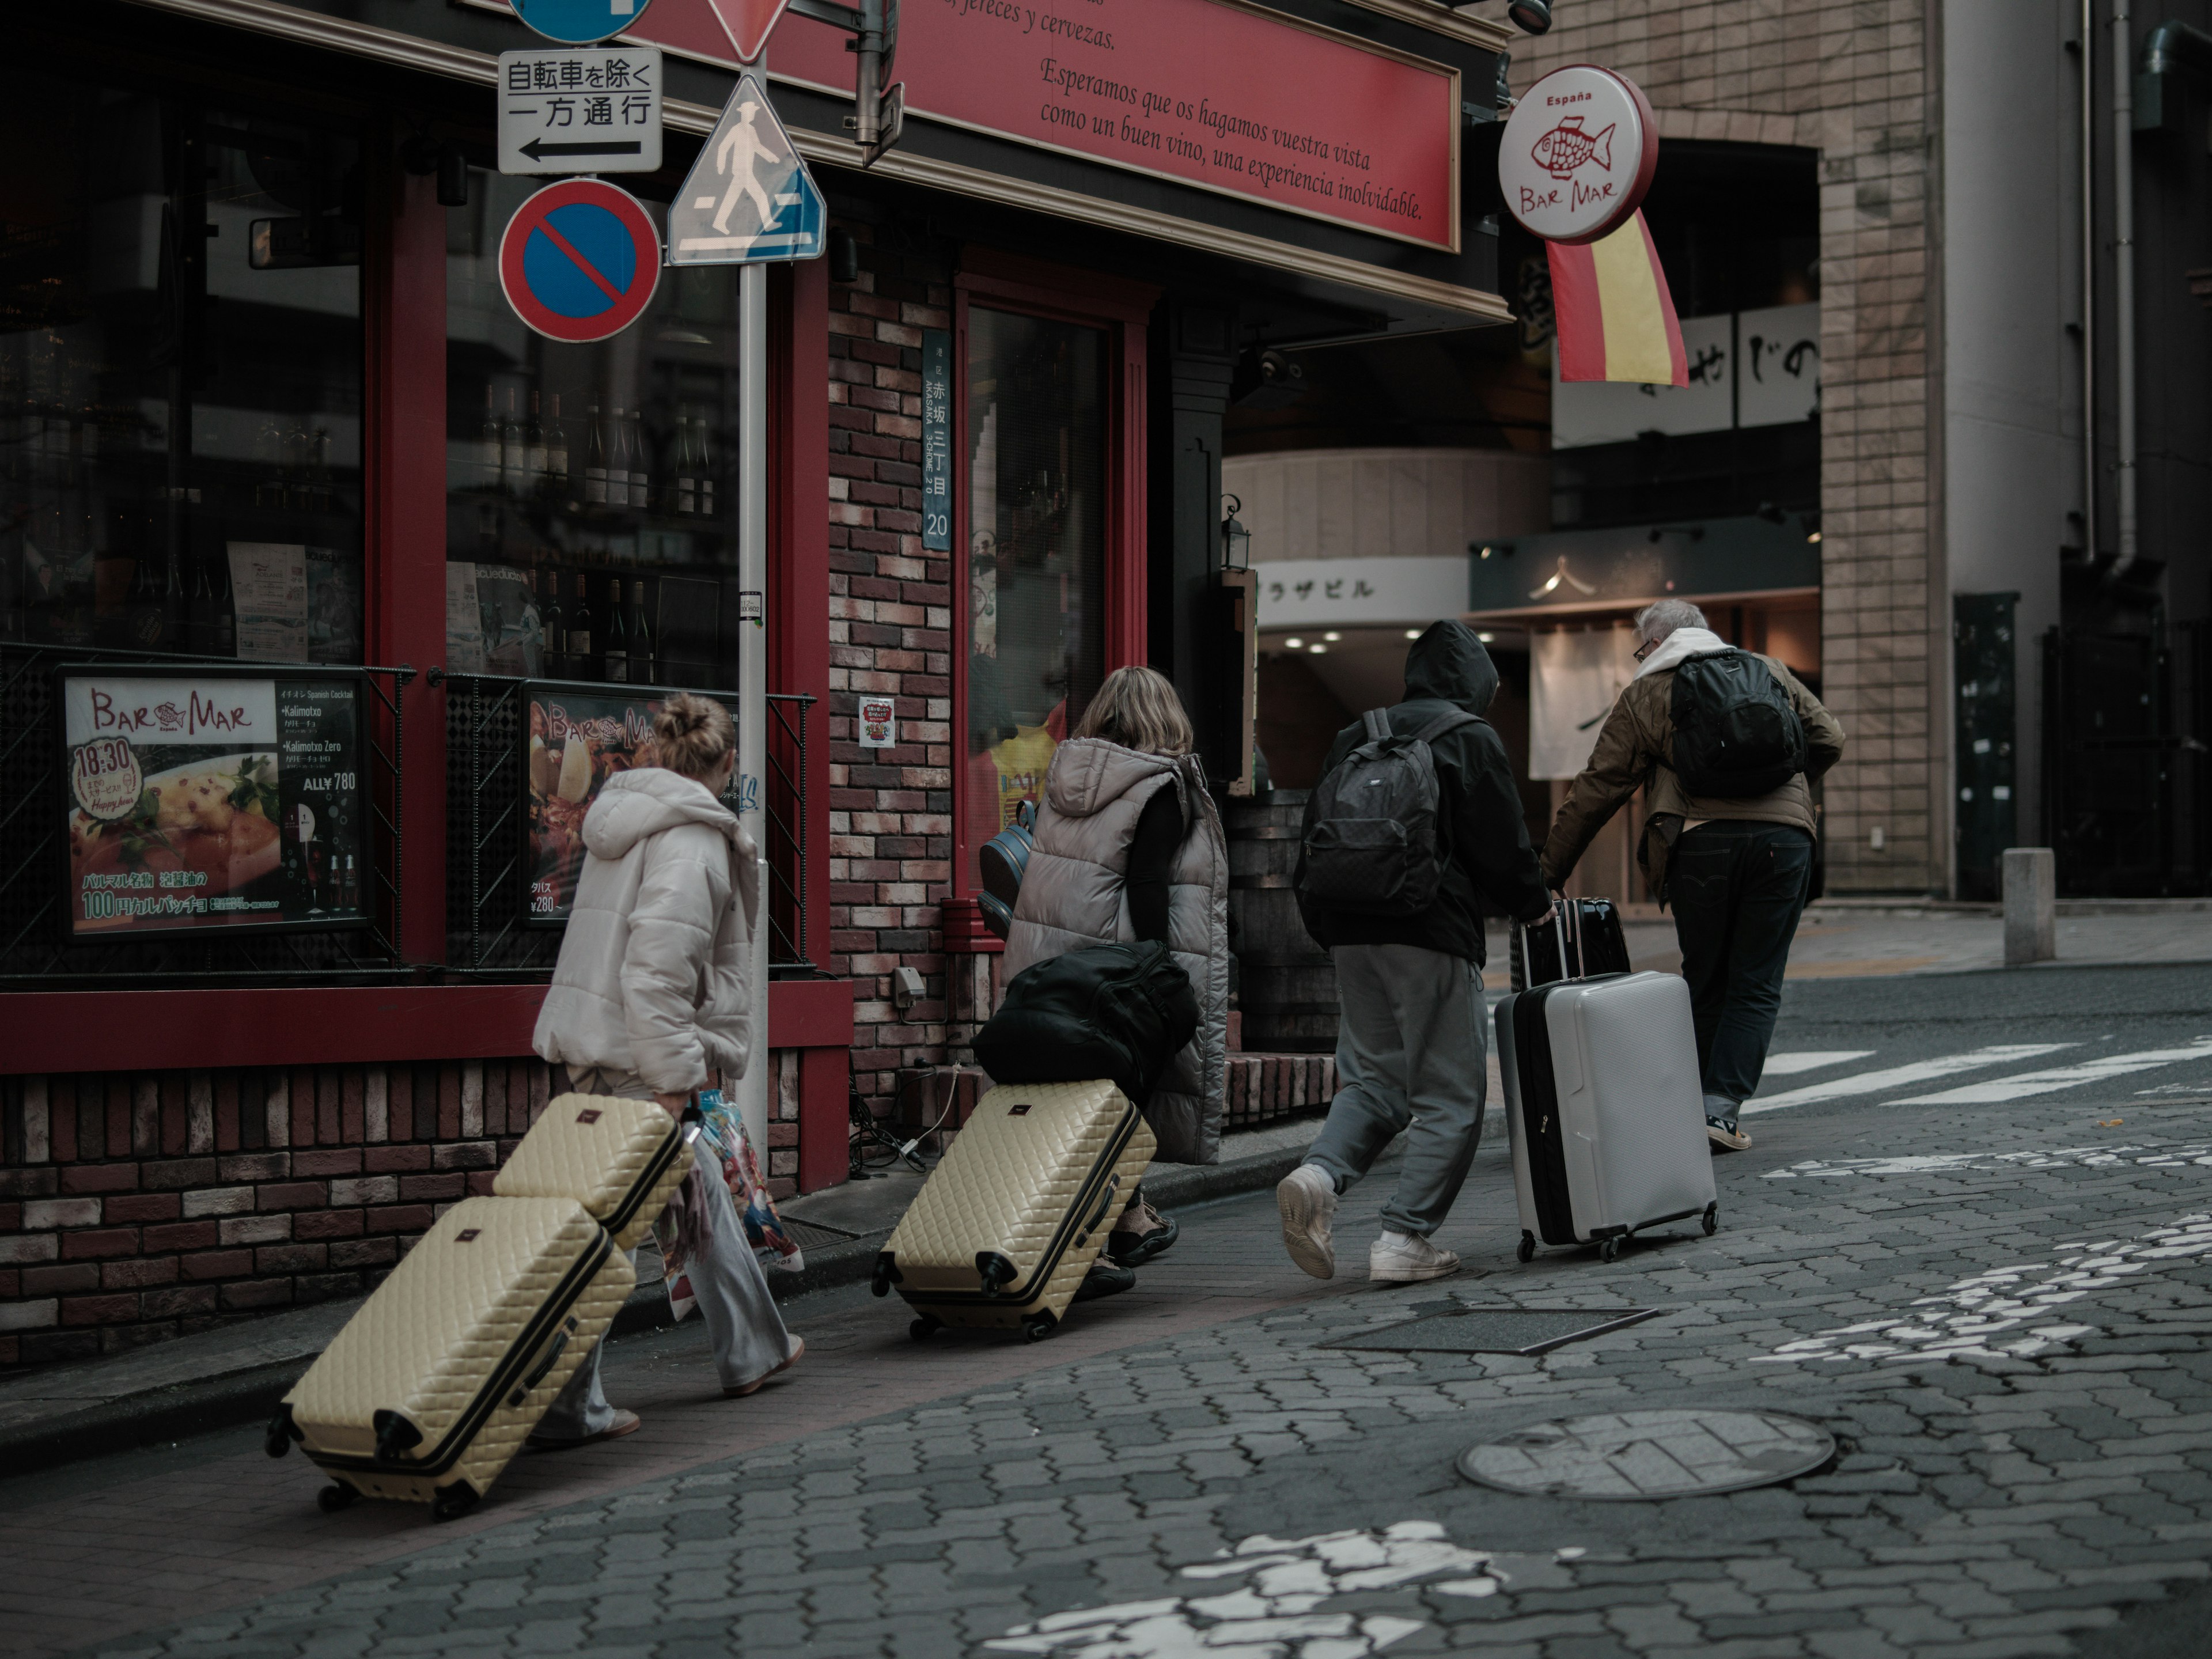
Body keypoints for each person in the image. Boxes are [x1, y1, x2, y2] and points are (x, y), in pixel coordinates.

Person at [528, 693, 802, 1446]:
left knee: (698, 1195)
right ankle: (563, 1405)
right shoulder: (691, 841)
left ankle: (753, 1350)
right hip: (637, 1060)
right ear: (725, 763)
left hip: (603, 1046)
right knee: (605, 1234)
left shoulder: (627, 820)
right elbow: (657, 974)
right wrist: (676, 1078)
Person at [1276, 622, 1553, 1284]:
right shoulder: (1468, 737)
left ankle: (1318, 1177)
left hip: (1349, 928)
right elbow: (1501, 842)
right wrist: (1533, 904)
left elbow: (1315, 834)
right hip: (1429, 929)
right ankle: (1405, 1237)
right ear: (1476, 684)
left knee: (1373, 1081)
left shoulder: (1357, 734)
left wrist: (1328, 928)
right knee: (1450, 1097)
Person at [1540, 599, 1846, 1152]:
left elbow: (1597, 790)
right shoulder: (1769, 670)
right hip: (1783, 843)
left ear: (1656, 644)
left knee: (1705, 978)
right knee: (1755, 982)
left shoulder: (1646, 694)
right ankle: (1720, 1110)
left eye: (1642, 646)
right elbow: (1829, 738)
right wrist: (1787, 791)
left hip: (1699, 843)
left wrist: (1548, 871)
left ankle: (1695, 1109)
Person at [1002, 665, 1232, 1285]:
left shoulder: (1065, 777)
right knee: (1117, 1096)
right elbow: (1147, 882)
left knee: (1083, 1102)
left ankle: (1127, 1219)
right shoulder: (1157, 785)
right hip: (1106, 972)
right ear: (1165, 719)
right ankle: (1090, 1244)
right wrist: (1158, 971)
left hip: (1043, 962)